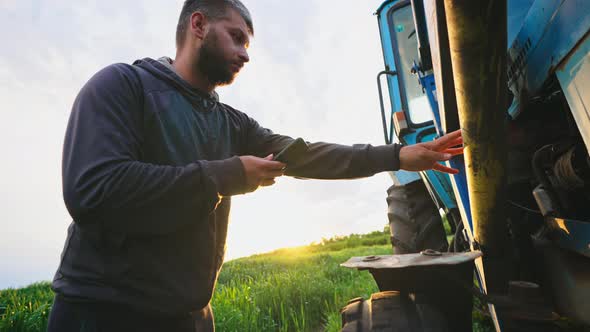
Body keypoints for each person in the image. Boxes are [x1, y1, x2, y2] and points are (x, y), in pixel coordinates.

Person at [47, 0, 464, 331]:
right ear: (197, 25)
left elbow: (305, 154)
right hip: (105, 312)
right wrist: (227, 175)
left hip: (190, 317)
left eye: (248, 44)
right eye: (236, 38)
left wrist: (396, 155)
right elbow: (93, 190)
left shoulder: (231, 123)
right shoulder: (122, 86)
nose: (245, 54)